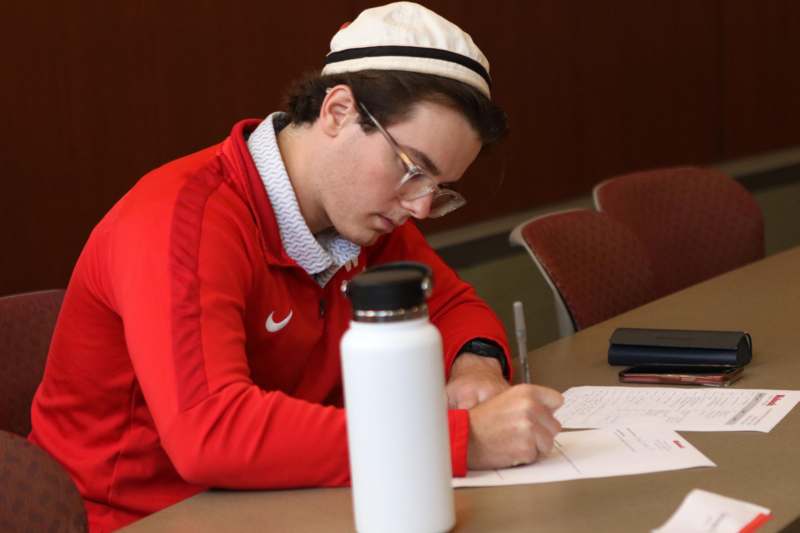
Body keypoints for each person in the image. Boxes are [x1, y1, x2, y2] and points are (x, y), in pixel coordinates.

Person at [29, 2, 563, 531]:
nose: (421, 208)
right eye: (411, 170)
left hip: (277, 502)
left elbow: (449, 304)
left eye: (438, 189)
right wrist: (459, 440)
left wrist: (474, 367)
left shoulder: (362, 214)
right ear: (338, 112)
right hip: (143, 518)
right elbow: (210, 434)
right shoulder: (181, 220)